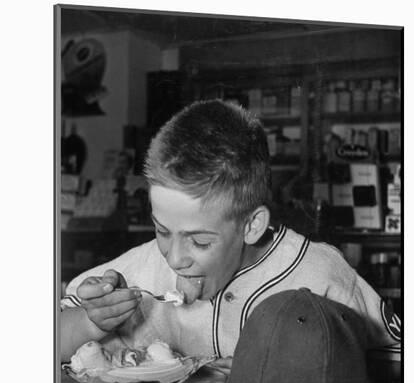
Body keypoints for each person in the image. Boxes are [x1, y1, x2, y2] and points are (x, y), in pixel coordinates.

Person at [61, 99, 400, 364]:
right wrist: (92, 322)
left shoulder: (319, 273)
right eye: (162, 230)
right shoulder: (138, 271)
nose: (175, 258)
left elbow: (392, 363)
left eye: (199, 240)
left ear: (252, 225)